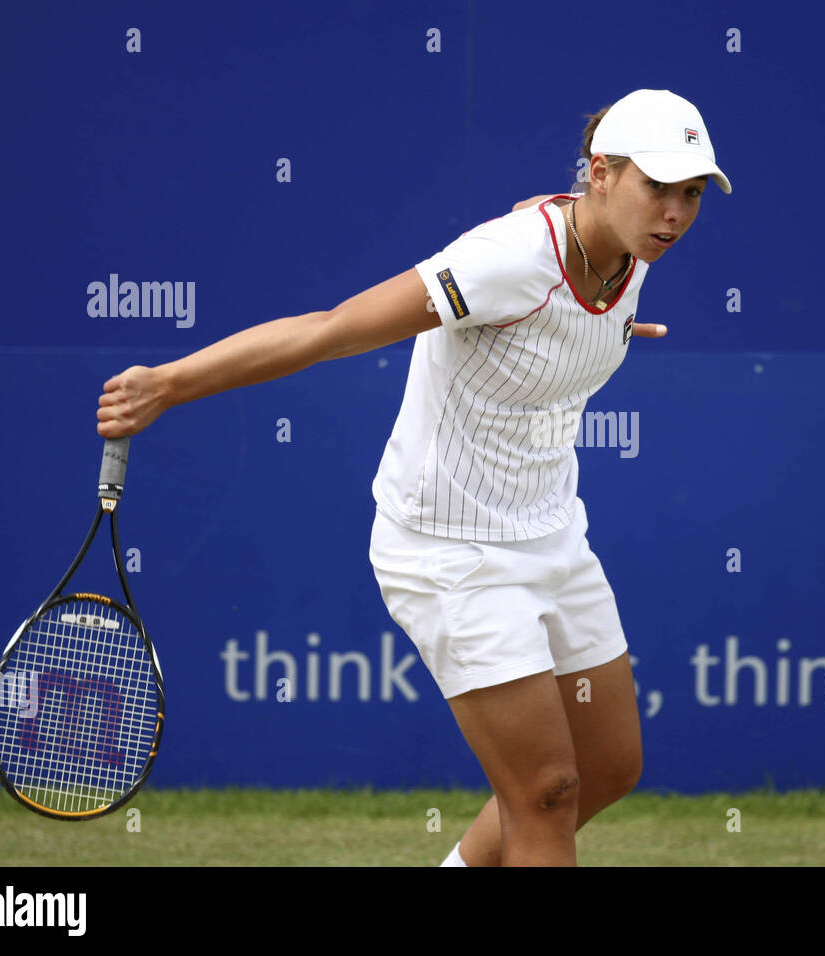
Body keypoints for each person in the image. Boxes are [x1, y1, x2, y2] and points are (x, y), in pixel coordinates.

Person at [96, 88, 731, 866]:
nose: (673, 214)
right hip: (450, 551)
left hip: (553, 532)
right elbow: (329, 331)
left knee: (607, 768)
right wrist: (170, 384)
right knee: (546, 793)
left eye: (691, 194)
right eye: (657, 188)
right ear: (601, 173)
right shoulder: (503, 259)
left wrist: (605, 327)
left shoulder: (628, 248)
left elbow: (563, 264)